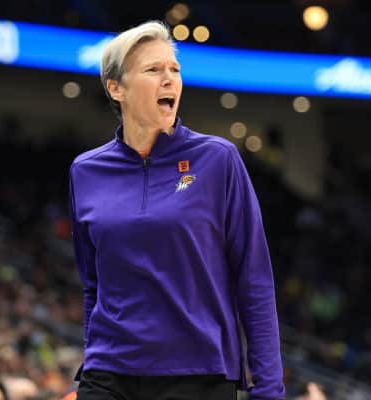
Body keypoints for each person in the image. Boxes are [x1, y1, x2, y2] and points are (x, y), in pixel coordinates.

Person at [69, 20, 285, 400]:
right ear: (116, 88)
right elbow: (93, 285)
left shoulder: (218, 160)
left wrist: (268, 389)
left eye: (175, 69)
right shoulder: (86, 171)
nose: (169, 79)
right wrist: (94, 353)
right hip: (109, 373)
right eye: (154, 70)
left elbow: (254, 280)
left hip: (199, 373)